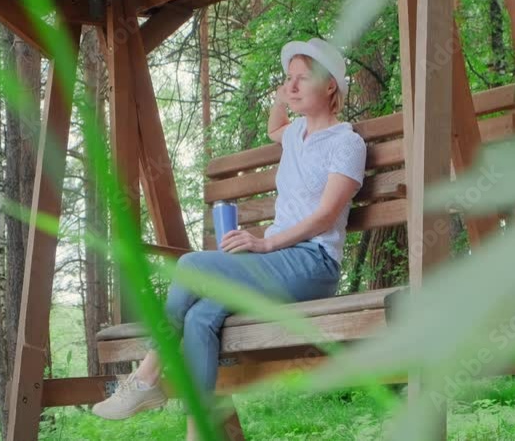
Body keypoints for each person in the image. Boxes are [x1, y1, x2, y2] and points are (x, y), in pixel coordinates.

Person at [91, 38, 367, 440]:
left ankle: (147, 376)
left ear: (330, 87)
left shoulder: (346, 142)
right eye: (287, 79)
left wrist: (266, 242)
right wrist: (282, 93)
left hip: (311, 264)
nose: (290, 87)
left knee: (188, 265)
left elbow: (326, 215)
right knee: (202, 316)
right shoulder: (295, 135)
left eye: (302, 79)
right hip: (275, 264)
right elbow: (275, 126)